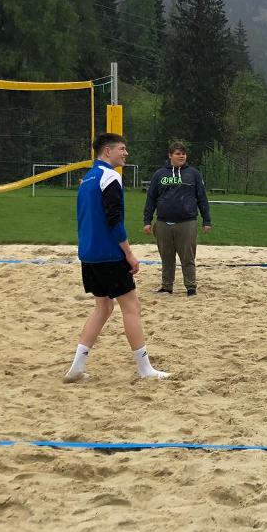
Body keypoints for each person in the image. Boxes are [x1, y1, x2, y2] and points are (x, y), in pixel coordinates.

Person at [65, 133, 169, 382]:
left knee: (103, 308)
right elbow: (114, 220)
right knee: (131, 308)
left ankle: (77, 367)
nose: (126, 153)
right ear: (107, 151)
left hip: (89, 255)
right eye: (122, 148)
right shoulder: (110, 177)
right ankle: (145, 369)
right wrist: (129, 254)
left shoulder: (87, 179)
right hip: (109, 255)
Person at [143, 142, 211, 297]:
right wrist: (147, 221)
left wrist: (206, 220)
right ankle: (167, 286)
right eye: (178, 153)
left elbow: (202, 198)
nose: (181, 156)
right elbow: (151, 198)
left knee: (188, 257)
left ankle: (191, 286)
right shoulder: (160, 174)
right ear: (170, 155)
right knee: (166, 257)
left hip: (187, 222)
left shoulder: (193, 174)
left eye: (183, 154)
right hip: (163, 223)